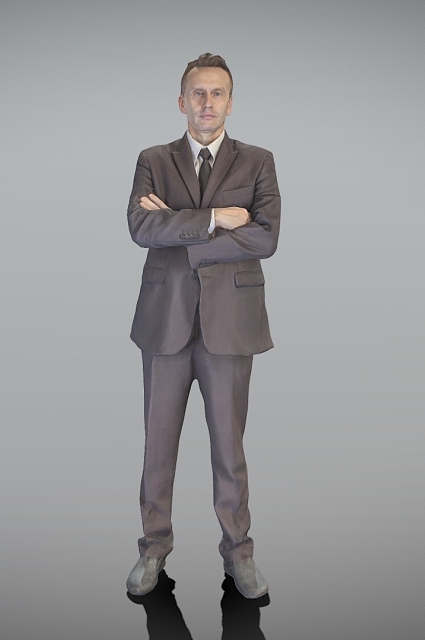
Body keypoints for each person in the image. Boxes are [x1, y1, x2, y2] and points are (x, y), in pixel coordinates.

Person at [125, 53, 281, 600]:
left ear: (230, 102)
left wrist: (179, 224)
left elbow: (266, 239)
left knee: (229, 446)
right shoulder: (152, 158)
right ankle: (153, 548)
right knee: (157, 445)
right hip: (164, 323)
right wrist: (218, 218)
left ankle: (239, 553)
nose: (207, 103)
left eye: (217, 94)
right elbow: (142, 227)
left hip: (230, 327)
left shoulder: (259, 161)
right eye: (197, 93)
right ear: (181, 101)